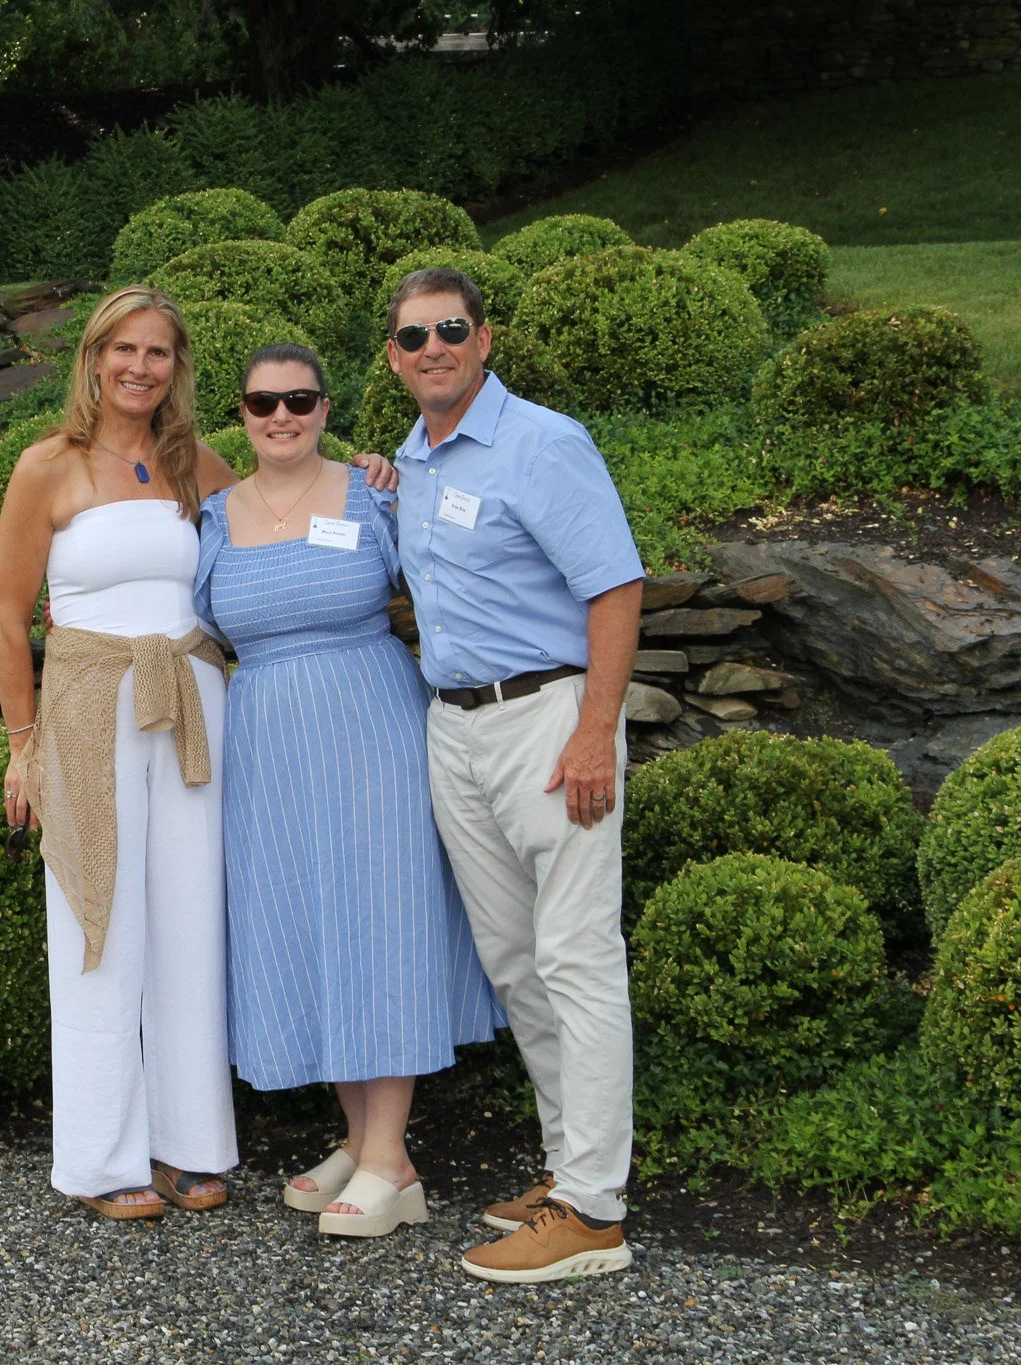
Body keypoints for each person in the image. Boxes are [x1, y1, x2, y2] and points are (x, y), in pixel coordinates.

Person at [0, 287, 396, 1220]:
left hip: (194, 703)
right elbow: (12, 618)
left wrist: (371, 474)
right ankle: (101, 1156)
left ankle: (190, 1144)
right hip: (90, 702)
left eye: (159, 352)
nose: (140, 366)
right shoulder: (47, 466)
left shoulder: (195, 464)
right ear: (94, 358)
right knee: (99, 919)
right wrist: (24, 745)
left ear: (179, 367)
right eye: (123, 349)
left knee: (190, 920)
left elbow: (288, 499)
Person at [193, 343, 506, 1239]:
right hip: (268, 749)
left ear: (326, 408)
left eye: (300, 399)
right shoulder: (214, 516)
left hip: (372, 733)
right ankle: (361, 1137)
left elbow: (453, 586)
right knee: (310, 924)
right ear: (243, 415)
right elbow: (194, 632)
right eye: (264, 402)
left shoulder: (376, 492)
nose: (282, 416)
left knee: (380, 922)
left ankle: (389, 1160)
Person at [380, 267, 645, 1283]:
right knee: (513, 960)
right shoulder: (413, 459)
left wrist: (592, 730)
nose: (431, 348)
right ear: (393, 358)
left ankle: (594, 1212)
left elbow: (615, 587)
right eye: (411, 338)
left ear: (483, 339)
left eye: (449, 330)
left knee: (575, 954)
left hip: (546, 721)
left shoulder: (542, 442)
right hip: (454, 728)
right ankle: (565, 1170)